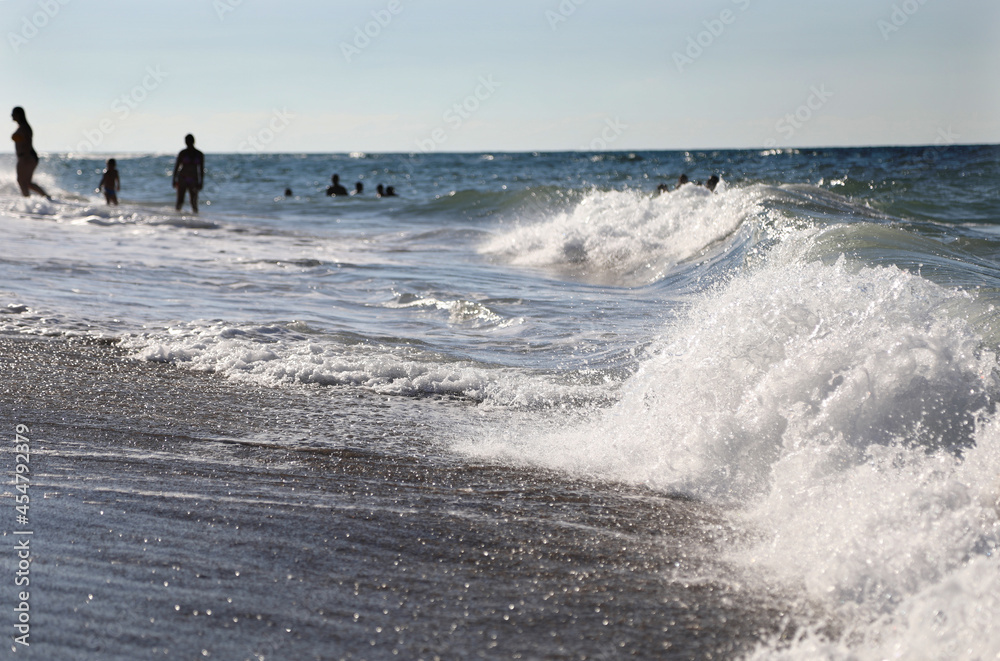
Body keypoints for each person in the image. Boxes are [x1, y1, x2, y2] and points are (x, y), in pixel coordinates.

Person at [10, 107, 50, 199]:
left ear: (19, 115)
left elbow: (27, 142)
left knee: (21, 181)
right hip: (26, 157)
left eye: (13, 114)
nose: (11, 116)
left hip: (26, 157)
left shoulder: (24, 127)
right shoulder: (22, 127)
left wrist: (25, 158)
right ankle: (46, 197)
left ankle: (27, 201)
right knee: (27, 183)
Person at [172, 134, 204, 212]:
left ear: (193, 141)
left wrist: (201, 182)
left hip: (194, 179)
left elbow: (201, 169)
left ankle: (196, 221)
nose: (188, 143)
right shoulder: (182, 153)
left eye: (189, 141)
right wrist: (174, 179)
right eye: (186, 141)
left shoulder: (199, 154)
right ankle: (177, 220)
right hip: (182, 178)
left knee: (194, 202)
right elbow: (176, 167)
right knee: (180, 201)